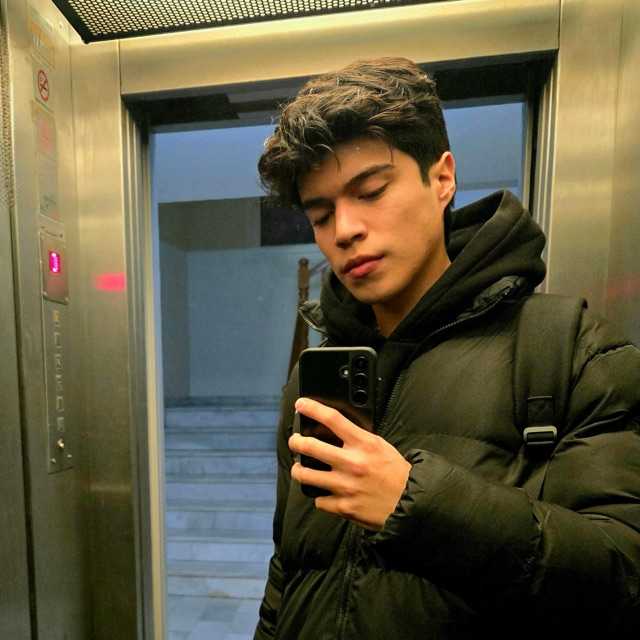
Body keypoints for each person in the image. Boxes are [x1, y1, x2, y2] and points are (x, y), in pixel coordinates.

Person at [253, 57, 640, 639]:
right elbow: (288, 572)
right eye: (321, 213)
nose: (345, 230)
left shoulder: (571, 351)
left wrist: (419, 506)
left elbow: (623, 578)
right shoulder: (315, 382)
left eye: (371, 192)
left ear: (442, 179)